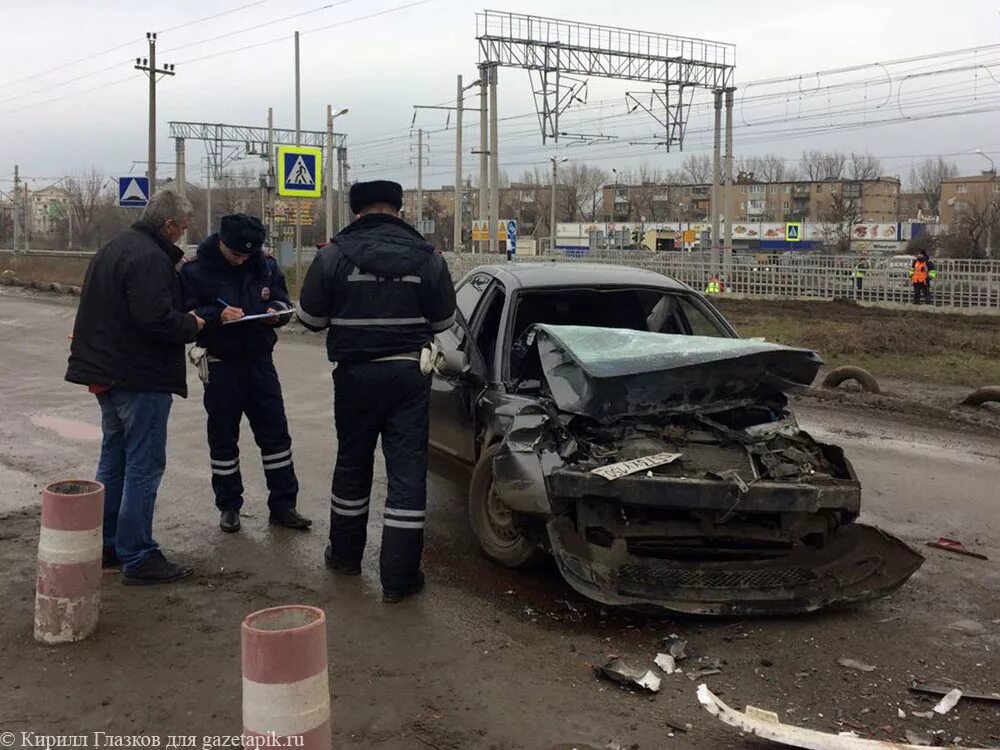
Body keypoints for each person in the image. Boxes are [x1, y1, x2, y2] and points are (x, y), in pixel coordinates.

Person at [297, 180, 456, 603]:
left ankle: (345, 557)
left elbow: (311, 319)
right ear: (399, 210)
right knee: (406, 474)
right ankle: (399, 580)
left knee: (352, 463)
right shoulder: (428, 257)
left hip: (355, 377)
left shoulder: (332, 255)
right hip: (408, 376)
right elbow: (443, 323)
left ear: (356, 212)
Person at [65, 190, 204, 585]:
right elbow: (155, 318)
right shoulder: (149, 258)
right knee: (144, 465)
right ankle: (139, 555)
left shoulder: (115, 249)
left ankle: (109, 545)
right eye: (182, 228)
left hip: (107, 373)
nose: (182, 235)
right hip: (140, 377)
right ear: (168, 225)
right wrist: (192, 325)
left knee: (115, 461)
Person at [180, 214, 312, 534]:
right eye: (236, 253)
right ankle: (229, 506)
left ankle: (284, 504)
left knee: (276, 435)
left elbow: (281, 298)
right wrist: (216, 315)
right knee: (224, 437)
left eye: (247, 254)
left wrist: (274, 314)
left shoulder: (263, 263)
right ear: (222, 242)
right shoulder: (195, 268)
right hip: (221, 362)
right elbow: (182, 313)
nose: (241, 259)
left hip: (260, 361)